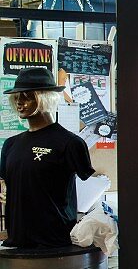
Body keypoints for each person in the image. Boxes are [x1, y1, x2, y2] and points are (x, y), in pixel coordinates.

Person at [0, 67, 96, 248]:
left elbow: (89, 187)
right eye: (17, 96)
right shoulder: (10, 145)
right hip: (17, 243)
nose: (20, 102)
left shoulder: (70, 143)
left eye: (28, 96)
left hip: (56, 242)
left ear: (45, 97)